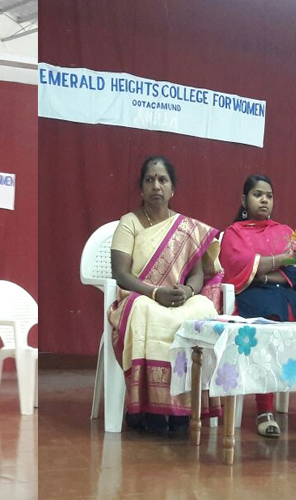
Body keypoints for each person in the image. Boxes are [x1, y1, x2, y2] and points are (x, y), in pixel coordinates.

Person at [108, 156, 223, 434]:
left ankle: (187, 408)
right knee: (144, 312)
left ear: (173, 189)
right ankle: (150, 409)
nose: (156, 185)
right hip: (141, 296)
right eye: (149, 180)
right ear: (141, 188)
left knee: (204, 309)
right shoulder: (129, 223)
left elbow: (197, 274)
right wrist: (155, 292)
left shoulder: (186, 227)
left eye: (163, 180)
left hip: (176, 298)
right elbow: (121, 273)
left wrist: (188, 290)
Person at [220, 174, 296, 438]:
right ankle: (265, 411)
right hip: (253, 296)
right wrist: (281, 260)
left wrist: (265, 271)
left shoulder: (285, 231)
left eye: (269, 196)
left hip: (287, 293)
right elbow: (239, 266)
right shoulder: (235, 233)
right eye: (257, 194)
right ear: (244, 199)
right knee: (268, 328)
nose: (264, 200)